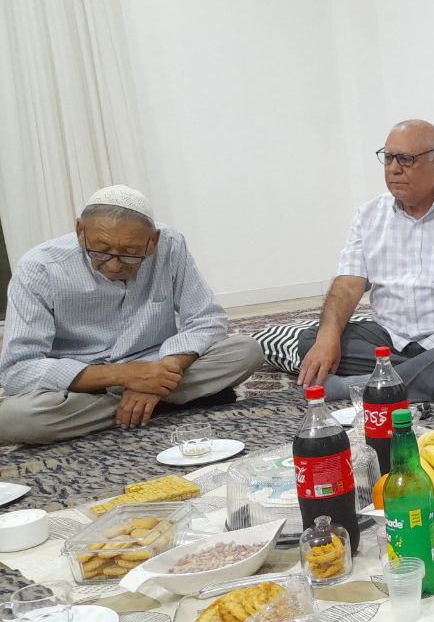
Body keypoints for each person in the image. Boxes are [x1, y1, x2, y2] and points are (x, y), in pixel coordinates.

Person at [0, 185, 263, 444]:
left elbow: (206, 319)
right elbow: (18, 370)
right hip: (86, 383)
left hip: (158, 364)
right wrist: (124, 376)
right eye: (100, 250)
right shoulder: (39, 268)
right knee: (14, 419)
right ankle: (168, 401)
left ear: (153, 241)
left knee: (246, 350)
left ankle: (135, 405)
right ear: (80, 231)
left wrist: (163, 372)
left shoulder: (170, 245)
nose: (114, 265)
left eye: (130, 253)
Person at [295, 120, 434, 402]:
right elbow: (348, 283)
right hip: (390, 337)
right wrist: (328, 336)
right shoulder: (368, 215)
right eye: (388, 158)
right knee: (312, 340)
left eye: (406, 159)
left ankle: (365, 386)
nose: (394, 169)